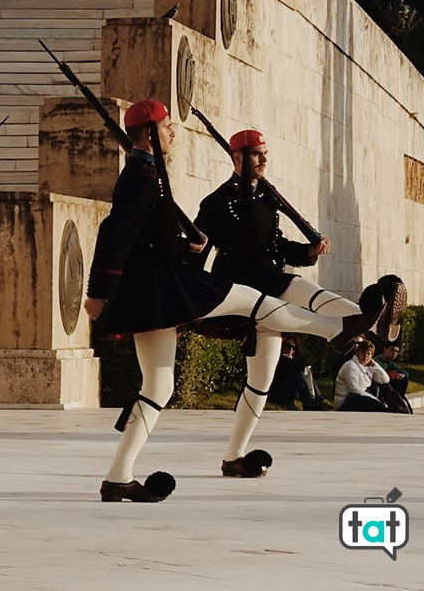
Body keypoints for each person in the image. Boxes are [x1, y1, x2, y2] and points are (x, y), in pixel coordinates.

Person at [84, 99, 385, 503]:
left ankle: (117, 478)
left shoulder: (147, 173)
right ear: (150, 133)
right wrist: (97, 292)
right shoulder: (142, 177)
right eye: (167, 127)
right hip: (162, 285)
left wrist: (187, 243)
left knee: (158, 385)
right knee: (256, 302)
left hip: (157, 286)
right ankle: (336, 328)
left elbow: (146, 237)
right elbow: (114, 234)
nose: (174, 132)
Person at [191, 128, 406, 478]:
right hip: (242, 285)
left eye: (265, 153)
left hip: (270, 276)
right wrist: (193, 304)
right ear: (236, 158)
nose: (263, 158)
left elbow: (275, 245)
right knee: (266, 366)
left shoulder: (266, 197)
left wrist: (308, 250)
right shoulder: (217, 202)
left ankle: (234, 457)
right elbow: (197, 254)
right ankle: (364, 320)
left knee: (262, 375)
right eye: (256, 153)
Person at [335, 341, 409, 413]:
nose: (366, 356)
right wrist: (374, 399)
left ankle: (401, 408)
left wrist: (374, 365)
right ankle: (387, 411)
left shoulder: (369, 366)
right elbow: (355, 390)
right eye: (363, 353)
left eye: (368, 354)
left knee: (385, 386)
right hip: (348, 401)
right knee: (365, 401)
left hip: (365, 395)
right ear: (358, 354)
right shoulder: (350, 366)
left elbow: (385, 380)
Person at [267, 335, 330, 410]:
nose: (290, 350)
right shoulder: (277, 358)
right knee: (297, 373)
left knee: (304, 371)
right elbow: (300, 365)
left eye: (294, 348)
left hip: (287, 394)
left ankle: (316, 399)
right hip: (275, 393)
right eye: (288, 346)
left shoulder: (291, 363)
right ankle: (310, 402)